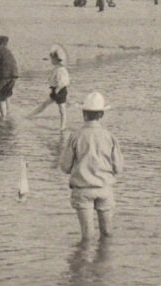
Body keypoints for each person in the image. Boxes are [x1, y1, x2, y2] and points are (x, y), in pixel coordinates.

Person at [58, 91, 123, 242]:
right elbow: (118, 168)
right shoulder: (109, 136)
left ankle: (84, 263)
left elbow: (65, 167)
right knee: (107, 233)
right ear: (101, 115)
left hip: (83, 189)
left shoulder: (76, 136)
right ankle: (105, 262)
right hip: (104, 188)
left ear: (83, 114)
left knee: (87, 236)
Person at [30, 44, 70, 130]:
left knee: (62, 110)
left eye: (52, 59)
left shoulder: (60, 70)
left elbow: (62, 82)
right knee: (45, 104)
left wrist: (56, 91)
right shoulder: (57, 68)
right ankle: (30, 115)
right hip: (55, 90)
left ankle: (62, 127)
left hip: (60, 91)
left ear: (56, 59)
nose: (51, 61)